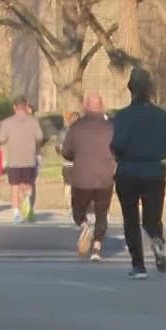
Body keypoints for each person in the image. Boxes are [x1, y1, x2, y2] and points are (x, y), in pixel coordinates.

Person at [110, 67, 166, 280]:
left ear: (130, 89)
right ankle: (156, 238)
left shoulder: (122, 117)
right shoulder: (162, 117)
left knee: (130, 219)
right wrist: (161, 151)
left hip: (128, 170)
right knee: (152, 216)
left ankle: (138, 265)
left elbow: (117, 143)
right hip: (154, 171)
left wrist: (120, 153)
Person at [61, 91, 115, 262]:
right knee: (101, 212)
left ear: (85, 106)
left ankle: (84, 225)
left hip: (82, 178)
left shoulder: (76, 127)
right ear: (103, 106)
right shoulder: (111, 127)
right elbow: (119, 149)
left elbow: (67, 152)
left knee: (78, 210)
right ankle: (97, 248)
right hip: (104, 177)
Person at [0, 98, 45, 223]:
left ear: (14, 107)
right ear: (26, 107)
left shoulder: (7, 122)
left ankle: (16, 214)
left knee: (15, 187)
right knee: (28, 185)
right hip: (29, 158)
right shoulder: (33, 122)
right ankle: (28, 205)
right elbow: (40, 137)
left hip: (14, 159)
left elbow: (1, 138)